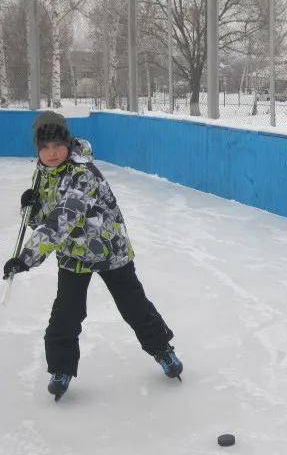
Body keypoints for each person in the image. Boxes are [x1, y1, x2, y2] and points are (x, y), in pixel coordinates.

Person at [2, 111, 183, 400]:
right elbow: (44, 218)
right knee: (66, 313)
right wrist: (32, 207)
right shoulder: (43, 172)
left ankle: (163, 350)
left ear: (68, 143)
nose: (51, 153)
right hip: (74, 254)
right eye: (45, 147)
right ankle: (60, 369)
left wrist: (26, 258)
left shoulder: (82, 174)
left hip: (109, 249)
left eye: (57, 145)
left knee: (133, 306)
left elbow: (61, 220)